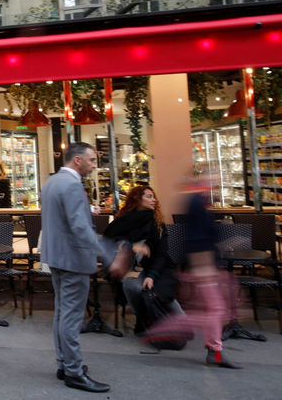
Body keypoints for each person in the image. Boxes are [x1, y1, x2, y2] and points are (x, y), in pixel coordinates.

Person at [41, 142, 132, 393]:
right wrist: (108, 256)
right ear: (78, 160)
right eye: (92, 160)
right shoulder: (72, 185)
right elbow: (80, 228)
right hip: (73, 260)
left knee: (61, 314)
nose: (95, 166)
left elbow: (61, 220)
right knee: (70, 318)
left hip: (56, 258)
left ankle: (64, 364)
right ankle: (74, 372)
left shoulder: (51, 182)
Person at [142, 174, 242, 368]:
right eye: (210, 179)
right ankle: (165, 329)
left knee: (214, 310)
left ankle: (214, 350)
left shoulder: (198, 203)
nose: (214, 182)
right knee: (214, 310)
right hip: (204, 266)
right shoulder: (196, 203)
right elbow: (197, 238)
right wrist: (204, 267)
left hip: (206, 265)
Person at [104, 185, 182, 334]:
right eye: (148, 197)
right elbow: (110, 238)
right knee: (131, 285)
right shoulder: (124, 221)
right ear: (137, 200)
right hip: (133, 268)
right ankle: (143, 320)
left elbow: (161, 253)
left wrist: (152, 275)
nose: (153, 200)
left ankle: (177, 323)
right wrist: (131, 245)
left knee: (157, 290)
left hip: (159, 268)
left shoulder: (157, 223)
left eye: (154, 197)